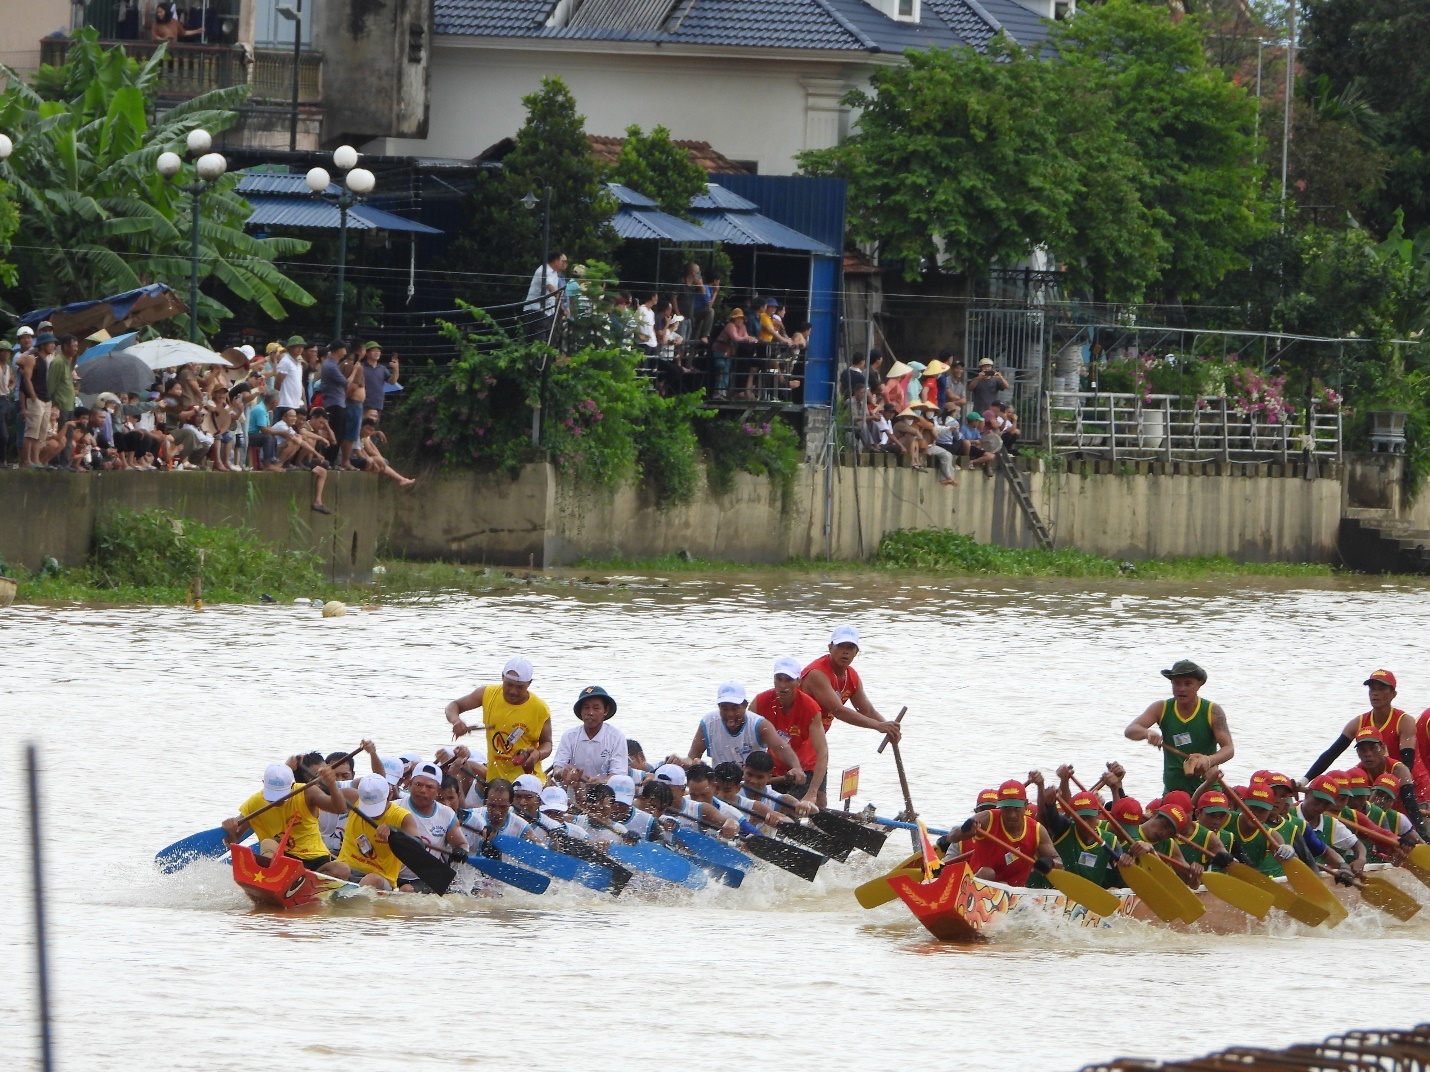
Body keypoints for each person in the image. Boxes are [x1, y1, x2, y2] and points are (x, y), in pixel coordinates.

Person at [801, 625, 902, 805]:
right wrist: (878, 726)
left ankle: (817, 829)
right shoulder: (817, 673)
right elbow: (839, 711)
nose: (845, 652)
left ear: (856, 652)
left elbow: (866, 710)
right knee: (801, 796)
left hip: (816, 741)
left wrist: (888, 727)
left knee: (820, 801)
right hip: (797, 736)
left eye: (850, 648)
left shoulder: (851, 676)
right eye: (840, 647)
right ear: (830, 647)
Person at [1304, 669, 1429, 800]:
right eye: (1372, 689)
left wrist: (1389, 787)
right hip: (1380, 786)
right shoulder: (1357, 723)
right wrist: (1304, 781)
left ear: (1393, 694)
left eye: (1381, 689)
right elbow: (1331, 754)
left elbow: (1407, 763)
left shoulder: (1404, 721)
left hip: (1414, 786)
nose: (1375, 693)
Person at [1124, 659, 1234, 795]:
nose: (1181, 689)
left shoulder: (1212, 711)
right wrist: (1147, 733)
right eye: (1177, 683)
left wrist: (1209, 760)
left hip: (1208, 791)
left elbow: (1229, 749)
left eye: (1188, 683)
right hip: (1173, 792)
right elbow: (1130, 730)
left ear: (1199, 685)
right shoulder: (1161, 708)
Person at [221, 759, 349, 870]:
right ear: (263, 783)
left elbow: (340, 808)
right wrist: (231, 830)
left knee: (342, 869)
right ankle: (272, 874)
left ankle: (309, 880)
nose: (276, 801)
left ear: (291, 785)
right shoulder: (253, 804)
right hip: (281, 860)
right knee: (268, 843)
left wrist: (332, 784)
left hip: (316, 858)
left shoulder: (307, 792)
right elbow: (232, 842)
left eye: (281, 795)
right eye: (272, 795)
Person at [445, 656, 553, 785]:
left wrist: (538, 754)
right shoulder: (487, 694)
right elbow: (453, 706)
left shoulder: (540, 708)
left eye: (520, 687)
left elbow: (547, 743)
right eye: (509, 685)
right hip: (495, 780)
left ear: (529, 683)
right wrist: (456, 721)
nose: (513, 691)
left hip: (527, 782)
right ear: (502, 677)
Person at [750, 656, 828, 809]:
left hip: (807, 769)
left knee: (812, 804)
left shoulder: (810, 708)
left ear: (798, 682)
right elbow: (746, 738)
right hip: (775, 770)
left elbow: (823, 752)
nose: (783, 686)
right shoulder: (760, 702)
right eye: (779, 679)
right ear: (774, 680)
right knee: (771, 808)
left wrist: (812, 792)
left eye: (789, 680)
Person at [683, 680, 805, 776]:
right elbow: (692, 758)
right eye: (724, 708)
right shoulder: (708, 722)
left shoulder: (760, 725)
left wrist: (797, 768)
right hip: (721, 786)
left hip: (753, 784)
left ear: (745, 705)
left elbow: (781, 747)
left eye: (735, 708)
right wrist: (682, 763)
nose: (730, 714)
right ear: (718, 707)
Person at [324, 774, 420, 890]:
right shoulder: (352, 797)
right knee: (337, 868)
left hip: (380, 879)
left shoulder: (403, 817)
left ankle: (351, 900)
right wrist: (330, 784)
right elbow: (319, 794)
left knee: (373, 879)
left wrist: (395, 832)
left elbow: (419, 847)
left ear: (390, 795)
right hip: (347, 869)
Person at [961, 780, 1061, 884]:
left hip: (1013, 892)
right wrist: (964, 829)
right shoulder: (988, 818)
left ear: (1026, 805)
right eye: (1006, 809)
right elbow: (953, 835)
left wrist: (1050, 863)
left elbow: (1059, 863)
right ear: (999, 806)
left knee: (1003, 884)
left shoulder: (1037, 830)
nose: (1012, 815)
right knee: (988, 873)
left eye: (1017, 808)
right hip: (978, 886)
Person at [1338, 725, 1428, 837]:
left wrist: (1422, 833)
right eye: (1362, 750)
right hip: (1373, 819)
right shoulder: (1355, 773)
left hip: (1404, 816)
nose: (1368, 754)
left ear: (1383, 748)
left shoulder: (1399, 770)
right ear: (1358, 753)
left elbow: (1411, 806)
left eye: (1373, 748)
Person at [397, 761, 468, 879]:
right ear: (410, 784)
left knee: (407, 890)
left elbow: (461, 844)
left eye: (429, 787)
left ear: (438, 791)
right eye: (418, 784)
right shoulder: (394, 807)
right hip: (393, 876)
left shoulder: (447, 814)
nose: (423, 790)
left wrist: (461, 850)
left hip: (426, 879)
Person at [550, 685, 628, 791]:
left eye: (596, 708)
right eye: (586, 707)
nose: (590, 713)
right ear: (581, 711)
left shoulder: (616, 737)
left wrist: (601, 782)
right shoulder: (569, 736)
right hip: (572, 794)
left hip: (603, 798)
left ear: (606, 710)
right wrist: (563, 772)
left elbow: (618, 775)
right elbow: (557, 769)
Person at [460, 777, 529, 855]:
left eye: (503, 807)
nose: (497, 812)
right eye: (492, 805)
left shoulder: (522, 828)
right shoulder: (470, 817)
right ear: (486, 801)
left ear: (511, 803)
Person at [18, 333, 54, 469]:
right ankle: (27, 461)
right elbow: (26, 379)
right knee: (31, 430)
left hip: (46, 398)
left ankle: (36, 459)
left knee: (41, 431)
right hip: (36, 398)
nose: (53, 346)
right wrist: (33, 396)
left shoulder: (48, 360)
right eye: (50, 343)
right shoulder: (33, 358)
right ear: (43, 345)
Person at [318, 339, 351, 464]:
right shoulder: (330, 366)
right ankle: (329, 459)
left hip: (338, 402)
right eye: (344, 349)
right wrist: (354, 371)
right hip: (334, 403)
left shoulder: (332, 365)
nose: (345, 352)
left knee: (339, 433)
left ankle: (331, 459)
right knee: (337, 433)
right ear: (338, 350)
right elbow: (345, 382)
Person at [524, 251, 568, 341]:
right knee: (537, 338)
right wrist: (562, 304)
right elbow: (552, 289)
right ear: (555, 261)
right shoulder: (544, 271)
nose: (564, 264)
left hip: (548, 311)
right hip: (536, 309)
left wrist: (562, 307)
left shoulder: (555, 273)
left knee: (547, 337)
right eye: (561, 261)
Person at [709, 308, 750, 400]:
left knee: (726, 371)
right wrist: (746, 338)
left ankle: (722, 393)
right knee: (721, 367)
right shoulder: (730, 326)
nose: (740, 320)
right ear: (733, 319)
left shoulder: (743, 327)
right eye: (738, 318)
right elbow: (735, 338)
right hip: (719, 351)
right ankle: (717, 393)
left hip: (730, 353)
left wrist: (749, 338)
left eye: (741, 318)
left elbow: (746, 336)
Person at [360, 342, 397, 423]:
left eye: (378, 351)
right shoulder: (361, 367)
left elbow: (392, 382)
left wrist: (396, 370)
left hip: (378, 404)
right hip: (364, 403)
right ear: (367, 353)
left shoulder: (382, 369)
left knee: (372, 429)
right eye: (374, 350)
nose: (377, 353)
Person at [275, 335, 306, 414]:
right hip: (285, 403)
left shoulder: (298, 363)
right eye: (297, 346)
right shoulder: (285, 361)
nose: (300, 349)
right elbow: (277, 383)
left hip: (296, 404)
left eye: (302, 347)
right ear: (291, 348)